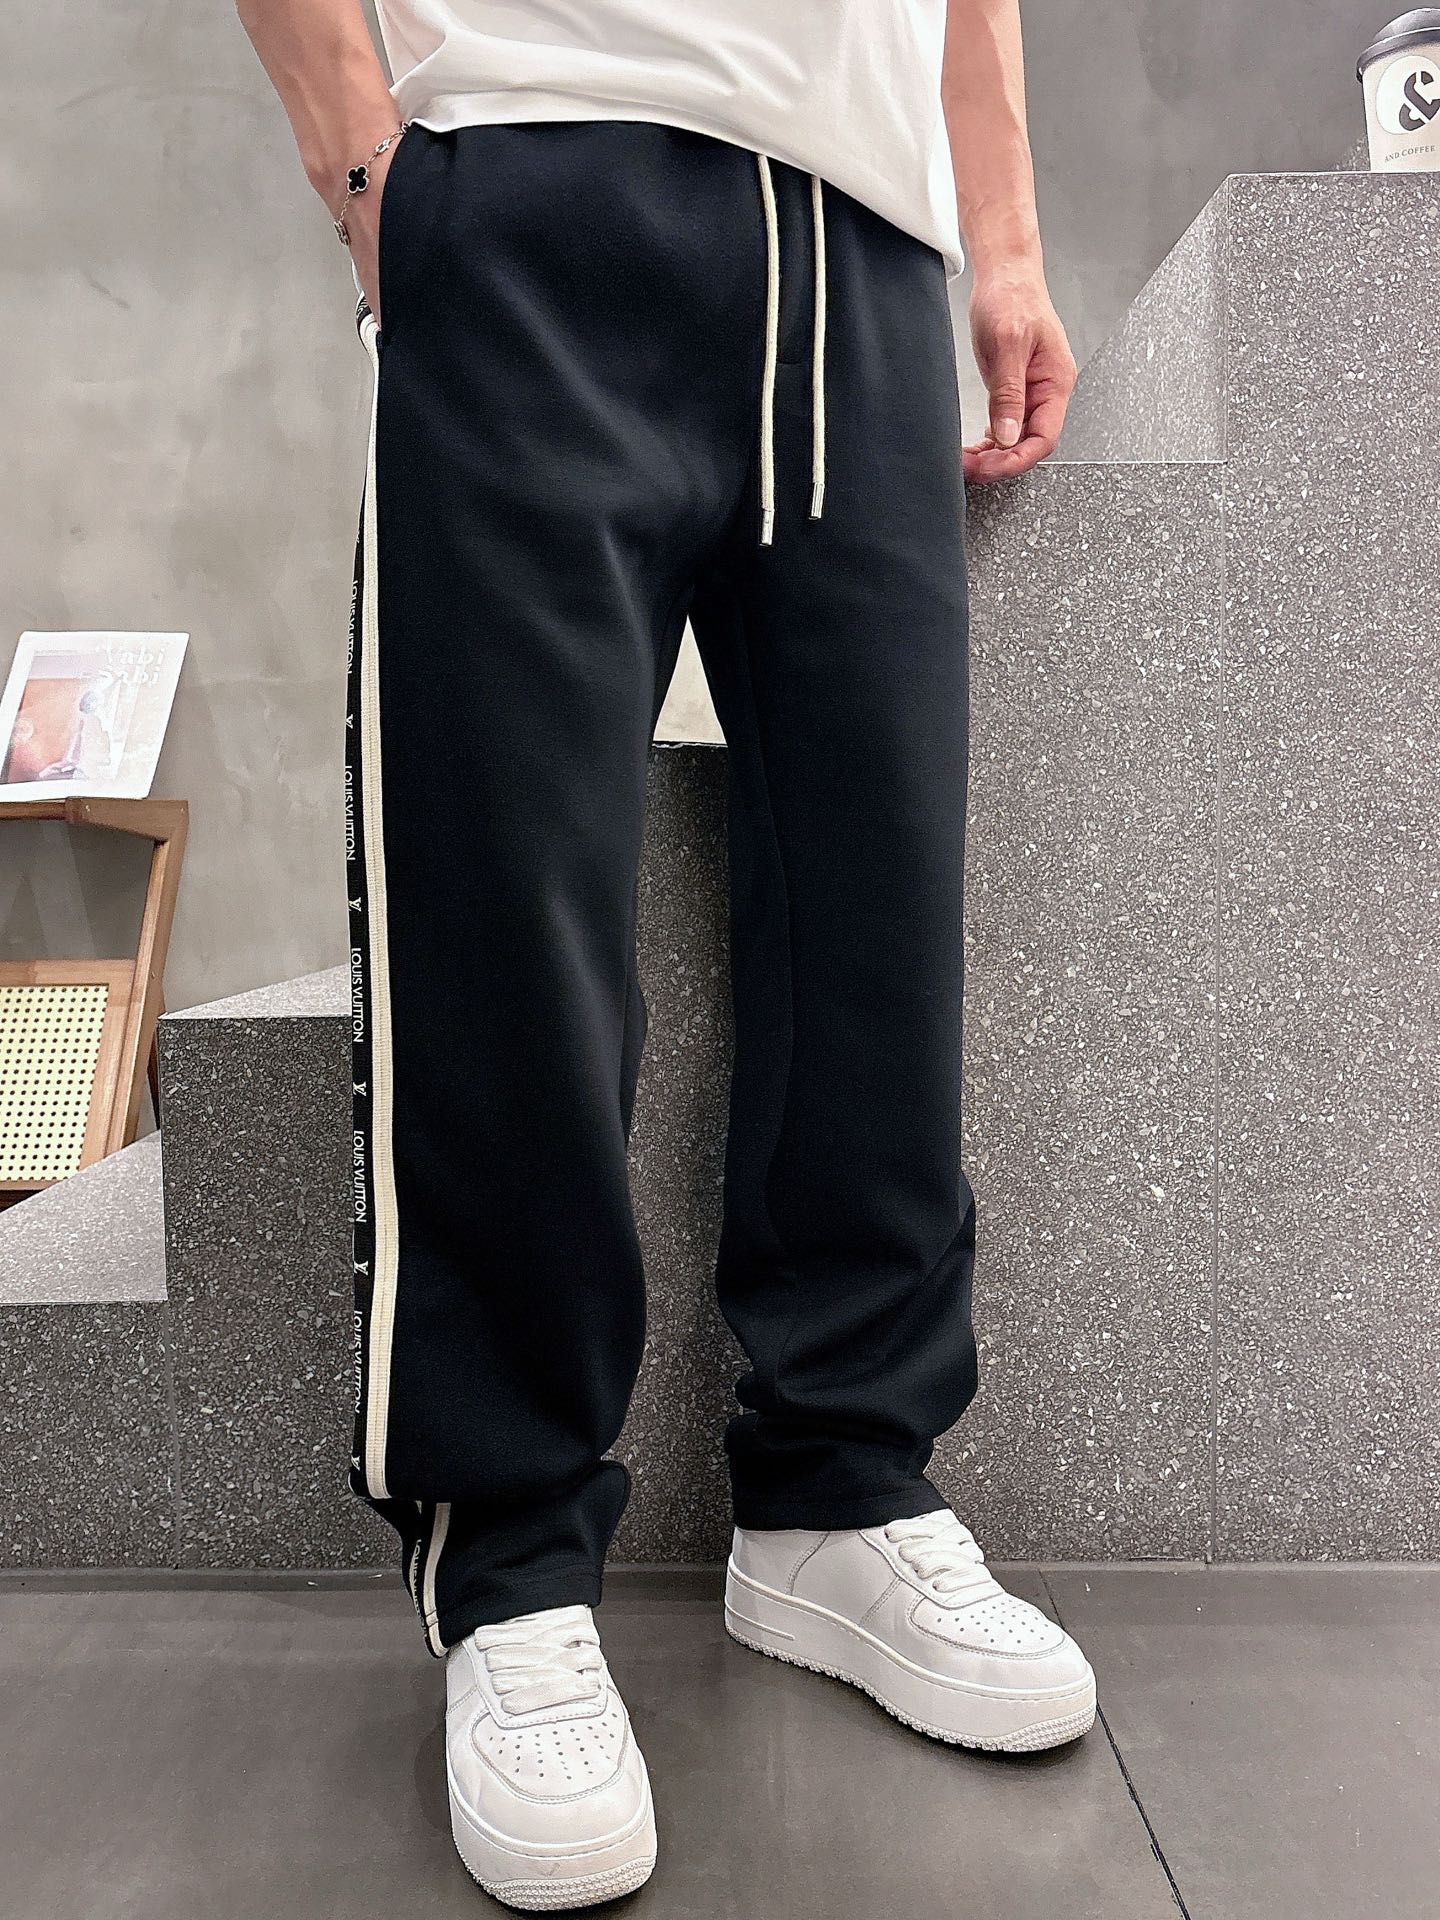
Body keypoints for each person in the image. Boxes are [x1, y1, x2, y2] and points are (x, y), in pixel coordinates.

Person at [237, 0, 1093, 1906]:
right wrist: (370, 163)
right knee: (509, 910)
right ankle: (513, 1563)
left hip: (864, 242)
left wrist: (1005, 237)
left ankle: (839, 1491)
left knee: (878, 910)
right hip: (535, 172)